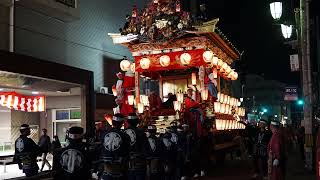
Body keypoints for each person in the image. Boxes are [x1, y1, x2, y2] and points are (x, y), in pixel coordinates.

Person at [100, 113, 131, 180]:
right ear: (122, 123)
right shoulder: (125, 136)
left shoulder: (104, 134)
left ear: (113, 122)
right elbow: (127, 152)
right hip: (120, 171)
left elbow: (101, 150)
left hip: (106, 170)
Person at [124, 113, 148, 180]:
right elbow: (146, 148)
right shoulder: (141, 132)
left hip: (126, 163)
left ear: (127, 122)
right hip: (139, 162)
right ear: (137, 122)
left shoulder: (123, 132)